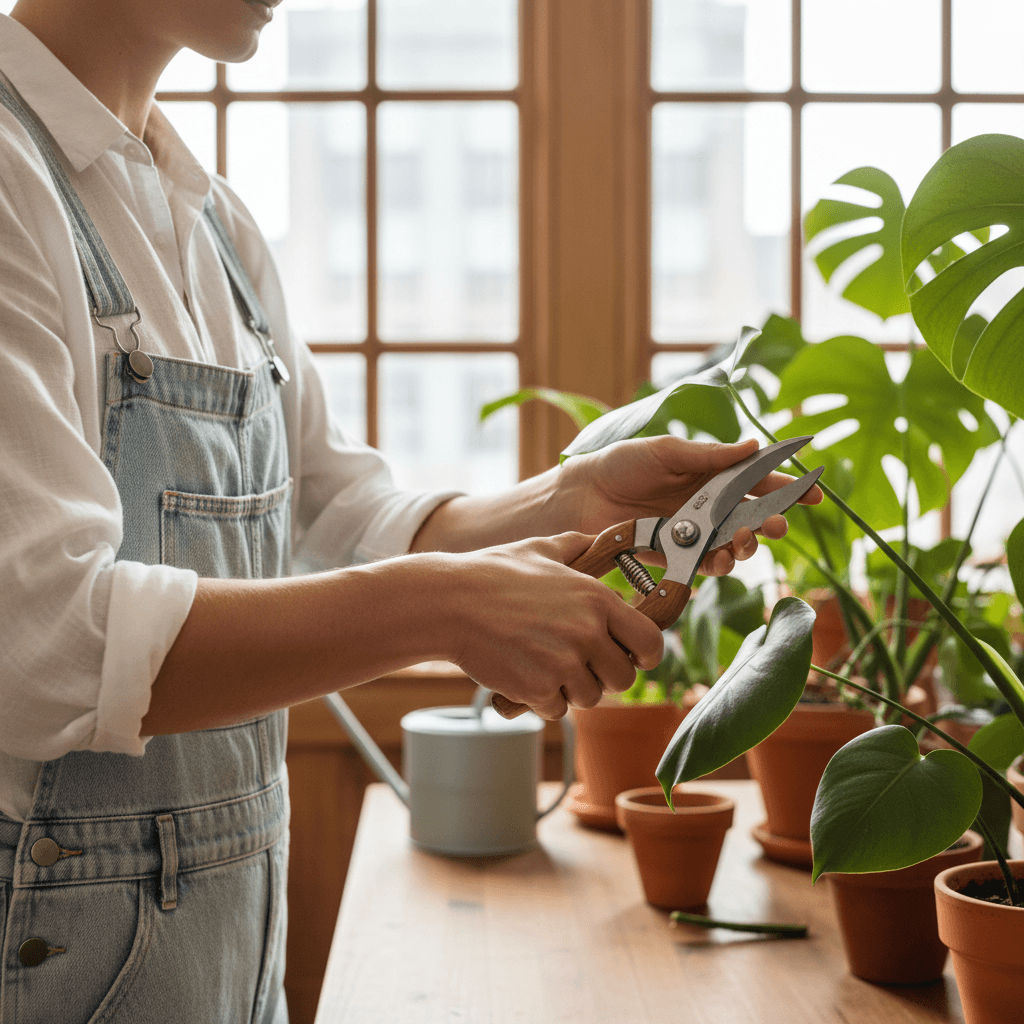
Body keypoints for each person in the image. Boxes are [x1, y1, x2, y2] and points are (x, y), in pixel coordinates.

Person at [0, 1, 822, 1020]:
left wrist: (565, 498)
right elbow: (40, 643)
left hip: (221, 957)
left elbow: (339, 511)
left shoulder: (207, 219)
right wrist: (442, 608)